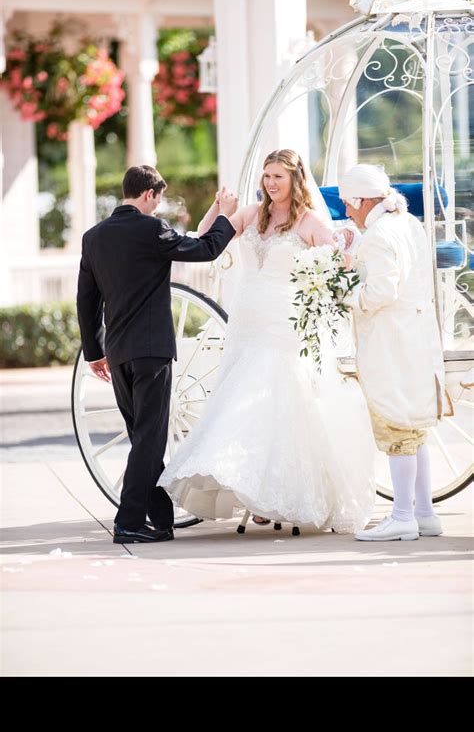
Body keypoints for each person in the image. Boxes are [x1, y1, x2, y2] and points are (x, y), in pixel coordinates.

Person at [158, 150, 377, 532]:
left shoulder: (308, 221)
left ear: (295, 179)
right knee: (240, 397)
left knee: (272, 401)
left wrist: (344, 251)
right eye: (267, 176)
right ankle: (251, 488)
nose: (271, 183)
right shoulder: (250, 214)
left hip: (283, 325)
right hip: (246, 320)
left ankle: (275, 492)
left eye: (278, 176)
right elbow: (206, 241)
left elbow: (339, 262)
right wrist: (218, 208)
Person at [76, 165, 237, 544]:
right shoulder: (152, 230)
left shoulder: (94, 237)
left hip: (116, 353)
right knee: (150, 439)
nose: (158, 205)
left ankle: (160, 518)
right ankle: (128, 521)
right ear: (149, 195)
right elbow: (206, 249)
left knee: (142, 438)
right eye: (159, 198)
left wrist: (93, 350)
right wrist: (226, 216)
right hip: (151, 351)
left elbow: (86, 299)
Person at [339, 164, 446, 541]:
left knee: (395, 424)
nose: (348, 212)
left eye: (349, 204)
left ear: (364, 200)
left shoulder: (380, 235)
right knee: (413, 427)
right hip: (415, 336)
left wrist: (344, 293)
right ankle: (425, 513)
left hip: (391, 340)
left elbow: (380, 293)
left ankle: (402, 516)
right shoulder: (409, 223)